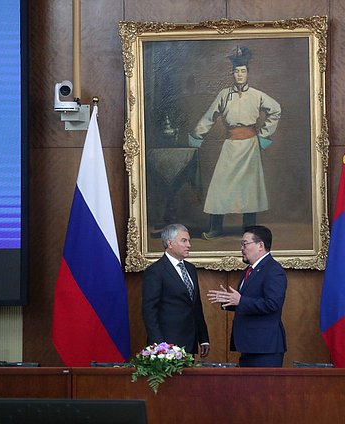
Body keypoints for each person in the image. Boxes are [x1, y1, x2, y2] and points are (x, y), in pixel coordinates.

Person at [189, 46, 281, 240]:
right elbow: (210, 116)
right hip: (231, 146)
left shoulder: (257, 95)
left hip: (250, 147)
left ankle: (249, 229)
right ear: (232, 73)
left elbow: (275, 110)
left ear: (248, 73)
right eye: (237, 71)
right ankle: (216, 227)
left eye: (243, 71)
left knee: (249, 187)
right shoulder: (224, 95)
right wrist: (197, 136)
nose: (240, 75)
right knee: (220, 186)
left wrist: (264, 136)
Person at [207, 225, 287, 367]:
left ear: (260, 245)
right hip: (249, 346)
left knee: (264, 389)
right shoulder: (250, 270)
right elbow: (247, 302)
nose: (242, 248)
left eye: (245, 244)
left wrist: (240, 300)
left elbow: (272, 304)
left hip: (265, 347)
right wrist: (230, 300)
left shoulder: (273, 270)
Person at [142, 223, 210, 358]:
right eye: (184, 241)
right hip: (166, 346)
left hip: (190, 342)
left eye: (189, 241)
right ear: (170, 243)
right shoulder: (155, 271)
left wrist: (203, 338)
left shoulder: (190, 269)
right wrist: (159, 346)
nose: (189, 245)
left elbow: (195, 306)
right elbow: (149, 311)